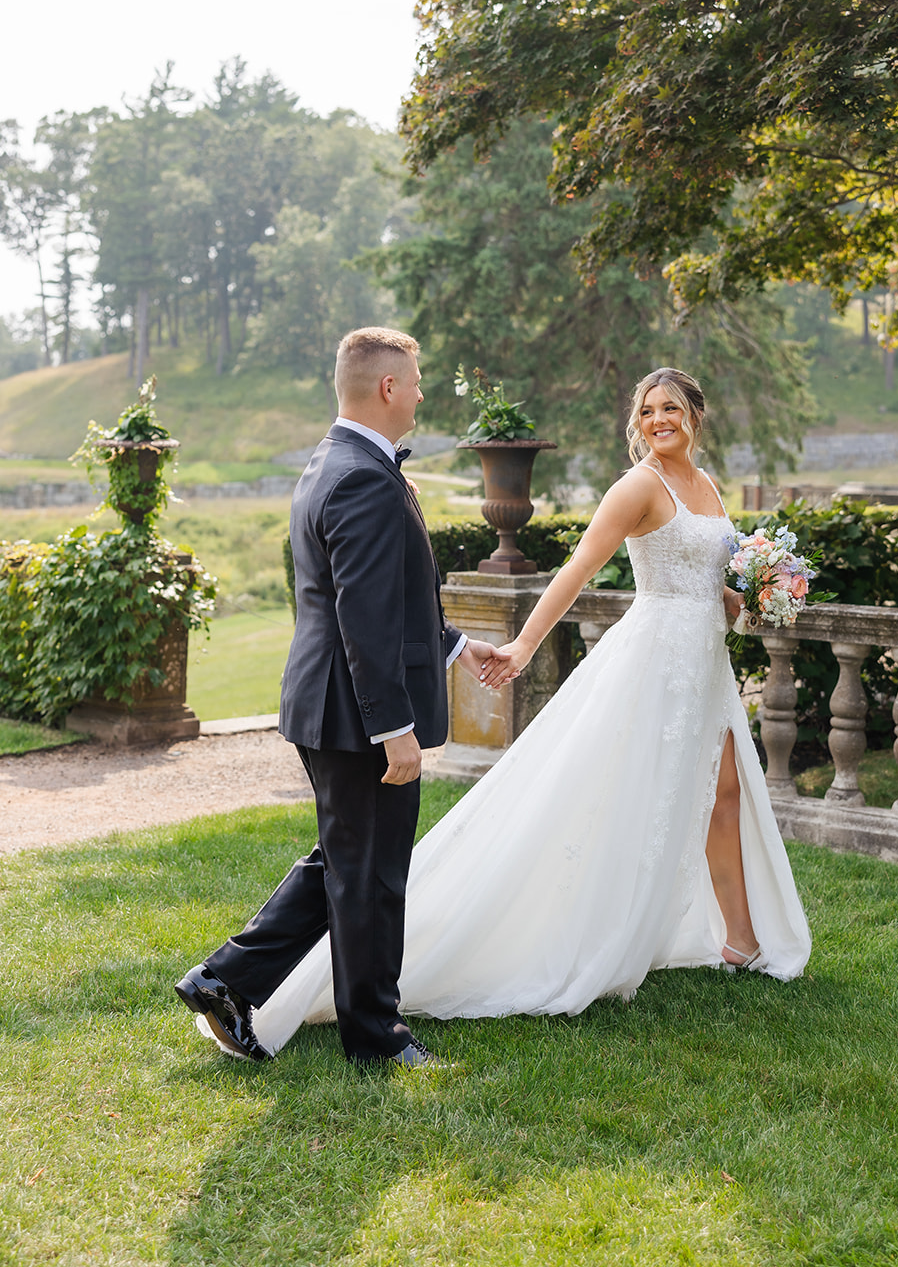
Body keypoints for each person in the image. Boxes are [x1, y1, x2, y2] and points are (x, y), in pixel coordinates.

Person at [195, 366, 811, 1058]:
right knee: (598, 800)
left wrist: (755, 592)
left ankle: (739, 940)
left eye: (671, 407)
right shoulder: (639, 485)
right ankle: (312, 996)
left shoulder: (708, 487)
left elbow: (711, 583)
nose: (658, 418)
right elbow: (577, 567)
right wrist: (520, 644)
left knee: (721, 793)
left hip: (705, 663)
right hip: (654, 662)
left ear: (696, 414)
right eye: (646, 409)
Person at [175, 327, 505, 1068]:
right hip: (356, 713)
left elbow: (386, 598)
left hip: (331, 703)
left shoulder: (341, 461)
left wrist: (456, 644)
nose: (421, 393)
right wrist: (394, 727)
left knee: (349, 861)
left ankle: (224, 979)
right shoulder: (361, 475)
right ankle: (377, 1038)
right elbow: (362, 616)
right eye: (415, 380)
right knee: (373, 876)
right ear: (387, 387)